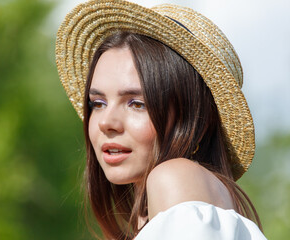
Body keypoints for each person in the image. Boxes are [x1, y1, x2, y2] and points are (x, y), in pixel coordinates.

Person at [55, 0, 267, 239]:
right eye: (98, 103)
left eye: (137, 104)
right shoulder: (194, 200)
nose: (106, 122)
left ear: (196, 120)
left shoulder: (175, 179)